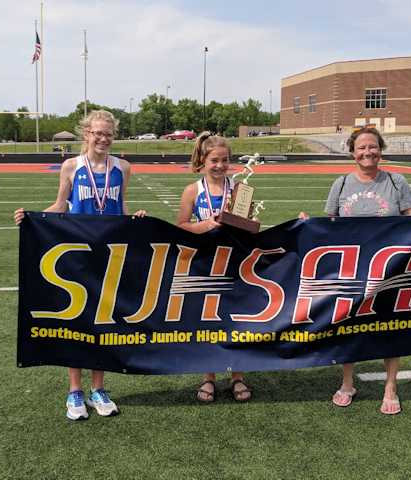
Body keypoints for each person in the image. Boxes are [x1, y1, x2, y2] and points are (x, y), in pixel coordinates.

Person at [299, 126, 411, 415]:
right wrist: (308, 225)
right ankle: (347, 383)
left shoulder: (396, 182)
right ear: (352, 152)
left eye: (372, 147)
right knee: (347, 326)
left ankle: (390, 387)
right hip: (351, 272)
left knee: (390, 326)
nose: (367, 152)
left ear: (380, 150)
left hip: (389, 271)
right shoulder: (341, 183)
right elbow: (331, 227)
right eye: (361, 148)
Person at [14, 110, 146, 420]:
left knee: (103, 322)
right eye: (97, 133)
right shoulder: (71, 166)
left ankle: (98, 389)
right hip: (78, 255)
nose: (102, 138)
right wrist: (30, 217)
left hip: (110, 256)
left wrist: (135, 218)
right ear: (86, 134)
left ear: (113, 136)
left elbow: (121, 206)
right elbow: (60, 205)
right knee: (76, 323)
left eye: (108, 134)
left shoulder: (123, 168)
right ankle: (75, 391)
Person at [176, 131, 252, 403]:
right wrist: (209, 224)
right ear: (203, 161)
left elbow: (250, 226)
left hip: (235, 263)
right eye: (215, 161)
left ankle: (237, 376)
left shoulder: (241, 189)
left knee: (236, 321)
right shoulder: (192, 190)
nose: (220, 166)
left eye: (225, 160)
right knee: (208, 322)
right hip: (205, 264)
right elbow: (182, 228)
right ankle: (208, 377)